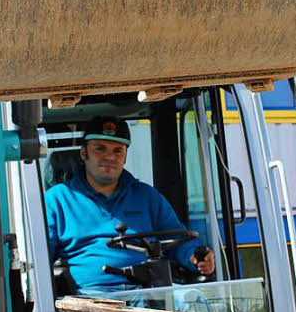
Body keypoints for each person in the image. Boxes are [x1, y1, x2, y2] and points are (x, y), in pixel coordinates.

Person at [44, 116, 215, 296]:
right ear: (83, 153)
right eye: (99, 148)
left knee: (193, 300)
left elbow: (176, 237)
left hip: (148, 290)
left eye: (118, 150)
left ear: (125, 157)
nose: (109, 156)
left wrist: (194, 256)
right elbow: (41, 258)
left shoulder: (147, 196)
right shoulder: (57, 200)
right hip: (91, 296)